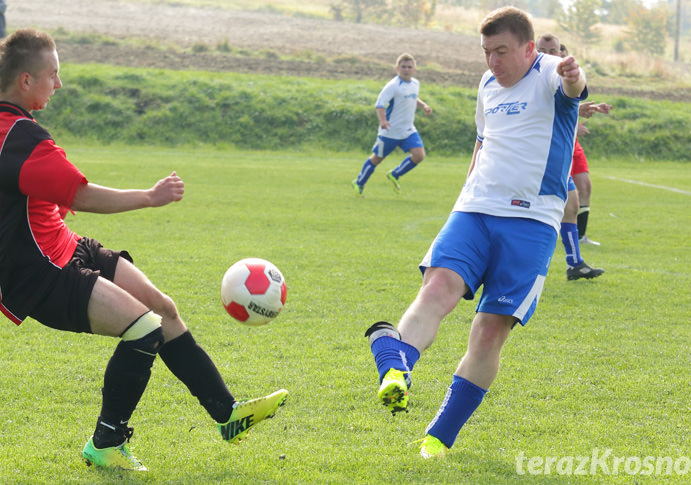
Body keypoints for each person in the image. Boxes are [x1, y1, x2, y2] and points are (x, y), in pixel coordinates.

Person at [0, 29, 287, 472]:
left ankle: (227, 415)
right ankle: (106, 442)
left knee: (162, 308)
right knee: (144, 327)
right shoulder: (18, 136)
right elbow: (83, 195)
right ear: (24, 80)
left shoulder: (14, 131)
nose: (59, 84)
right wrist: (150, 197)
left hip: (64, 245)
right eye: (53, 74)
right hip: (40, 272)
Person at [365, 7, 588, 459]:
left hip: (531, 223)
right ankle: (397, 369)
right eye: (486, 52)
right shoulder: (487, 85)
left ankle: (438, 436)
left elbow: (573, 89)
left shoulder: (548, 72)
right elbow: (482, 142)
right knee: (436, 289)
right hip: (474, 210)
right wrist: (463, 197)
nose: (492, 62)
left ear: (528, 49)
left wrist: (572, 75)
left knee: (488, 333)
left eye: (501, 52)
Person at [536, 33, 603, 280]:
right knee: (535, 214)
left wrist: (579, 110)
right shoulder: (532, 78)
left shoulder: (562, 77)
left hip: (558, 158)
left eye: (553, 50)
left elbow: (565, 104)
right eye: (543, 49)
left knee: (572, 205)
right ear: (533, 49)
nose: (549, 54)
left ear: (561, 54)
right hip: (540, 159)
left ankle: (574, 263)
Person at [351, 53, 432, 196]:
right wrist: (383, 121)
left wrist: (424, 105)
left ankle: (395, 174)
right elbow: (379, 104)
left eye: (409, 67)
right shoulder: (392, 86)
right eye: (403, 67)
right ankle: (359, 183)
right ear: (397, 68)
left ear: (414, 69)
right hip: (390, 131)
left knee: (419, 155)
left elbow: (412, 99)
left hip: (408, 130)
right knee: (376, 159)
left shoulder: (415, 84)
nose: (406, 69)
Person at [559, 42, 612, 245]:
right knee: (565, 196)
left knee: (585, 186)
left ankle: (580, 236)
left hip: (574, 143)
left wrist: (595, 108)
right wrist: (574, 125)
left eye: (559, 52)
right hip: (558, 141)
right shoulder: (540, 77)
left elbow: (572, 106)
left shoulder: (569, 77)